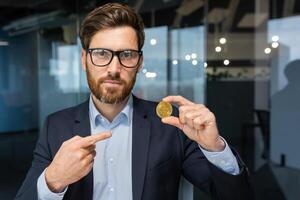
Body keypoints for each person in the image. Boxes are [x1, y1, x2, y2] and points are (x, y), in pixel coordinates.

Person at [16, 3, 252, 200]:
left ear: (139, 63)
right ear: (84, 60)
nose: (114, 69)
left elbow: (236, 196)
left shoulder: (171, 126)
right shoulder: (55, 126)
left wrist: (215, 148)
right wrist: (53, 180)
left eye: (127, 55)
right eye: (101, 54)